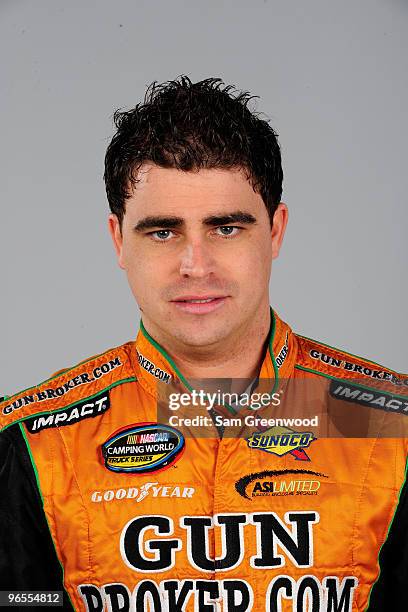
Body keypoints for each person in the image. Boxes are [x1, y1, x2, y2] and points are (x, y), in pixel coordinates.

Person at [0, 76, 407, 612]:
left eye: (227, 228)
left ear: (276, 231)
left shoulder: (390, 426)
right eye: (162, 232)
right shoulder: (31, 444)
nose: (196, 265)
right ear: (119, 240)